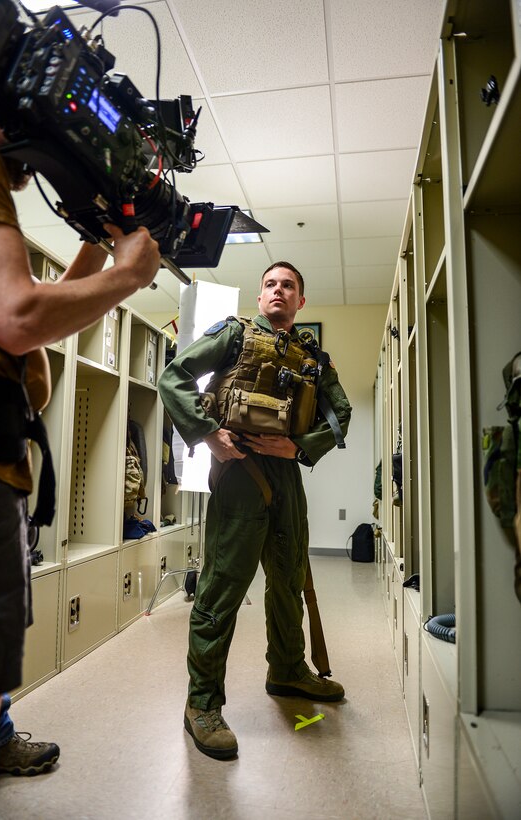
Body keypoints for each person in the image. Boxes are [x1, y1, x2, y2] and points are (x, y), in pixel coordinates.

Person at [0, 102, 161, 818]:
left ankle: (1, 737)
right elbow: (19, 317)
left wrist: (93, 246)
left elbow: (24, 316)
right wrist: (125, 280)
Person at [158, 261, 352, 759]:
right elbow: (173, 377)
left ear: (300, 301)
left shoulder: (314, 357)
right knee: (222, 589)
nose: (278, 291)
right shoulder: (235, 336)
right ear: (261, 295)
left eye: (289, 285)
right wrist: (207, 434)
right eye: (270, 284)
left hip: (287, 478)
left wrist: (302, 447)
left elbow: (341, 412)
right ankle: (201, 704)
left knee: (288, 582)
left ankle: (287, 671)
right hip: (241, 473)